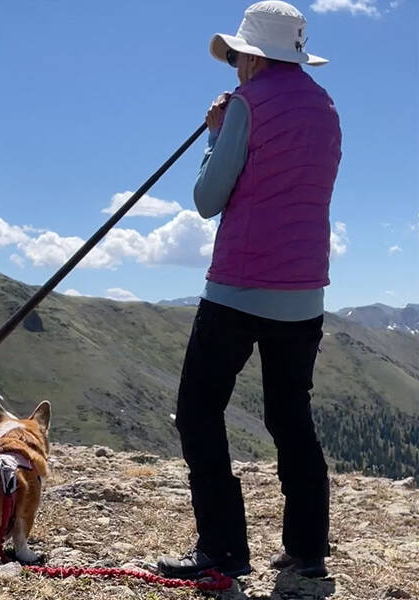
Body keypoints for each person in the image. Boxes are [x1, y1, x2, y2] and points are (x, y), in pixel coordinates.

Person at [156, 1, 341, 580]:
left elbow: (208, 198)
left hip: (239, 286)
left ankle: (223, 551)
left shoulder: (246, 104)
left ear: (253, 57)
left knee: (198, 411)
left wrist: (215, 136)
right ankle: (308, 551)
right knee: (291, 415)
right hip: (305, 290)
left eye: (237, 55)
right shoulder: (327, 107)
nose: (234, 64)